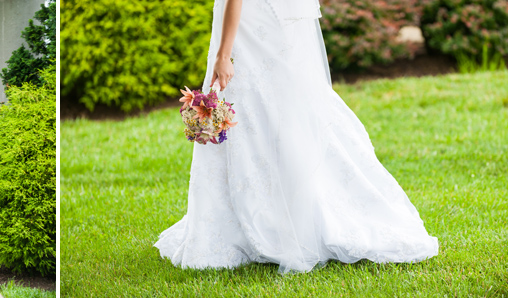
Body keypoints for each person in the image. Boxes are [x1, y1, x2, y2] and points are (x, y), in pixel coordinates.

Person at [154, 0, 438, 273]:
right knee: (277, 113)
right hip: (267, 22)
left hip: (248, 27)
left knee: (259, 110)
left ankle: (272, 221)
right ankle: (279, 216)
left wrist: (223, 54)